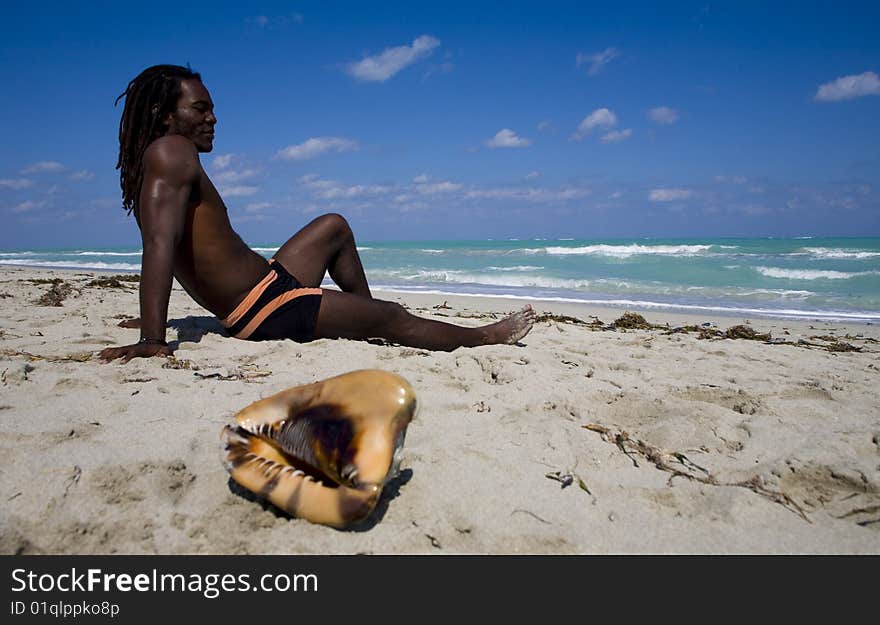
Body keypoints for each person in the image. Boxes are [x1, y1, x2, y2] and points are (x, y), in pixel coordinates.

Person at [99, 65, 535, 363]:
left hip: (270, 282)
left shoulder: (165, 157)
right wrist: (152, 339)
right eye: (200, 109)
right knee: (392, 317)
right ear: (164, 114)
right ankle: (483, 336)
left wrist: (157, 315)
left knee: (334, 226)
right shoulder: (171, 152)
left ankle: (358, 313)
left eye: (212, 107)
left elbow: (183, 248)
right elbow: (160, 245)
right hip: (264, 309)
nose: (213, 118)